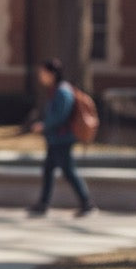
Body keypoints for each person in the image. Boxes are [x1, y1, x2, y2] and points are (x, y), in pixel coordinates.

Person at [28, 57, 95, 217]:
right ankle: (43, 204)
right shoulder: (56, 90)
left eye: (43, 72)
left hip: (62, 138)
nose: (40, 76)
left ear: (51, 73)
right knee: (49, 170)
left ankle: (87, 203)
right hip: (55, 138)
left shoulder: (63, 91)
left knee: (69, 171)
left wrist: (44, 125)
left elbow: (60, 116)